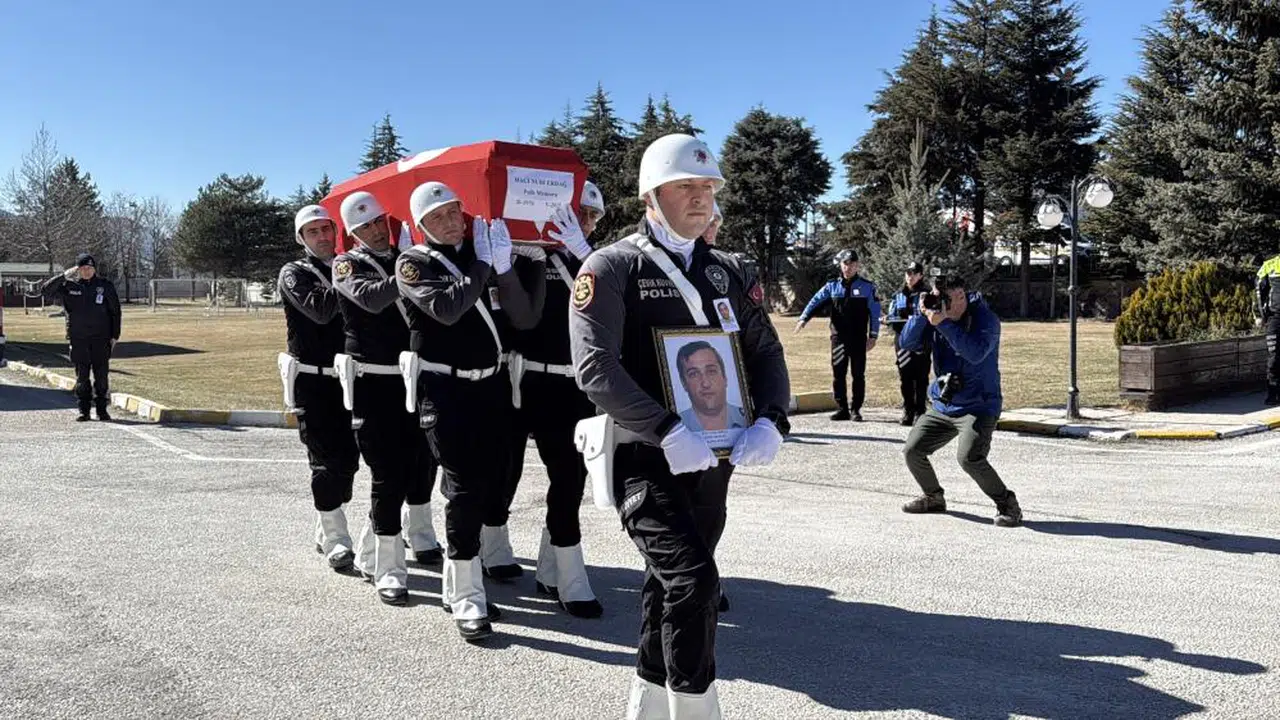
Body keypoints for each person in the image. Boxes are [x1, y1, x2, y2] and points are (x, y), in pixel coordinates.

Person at [570, 133, 790, 718]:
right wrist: (667, 429)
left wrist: (772, 420)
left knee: (667, 586)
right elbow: (596, 368)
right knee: (696, 582)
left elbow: (765, 351)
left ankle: (646, 701)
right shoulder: (611, 266)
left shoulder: (727, 270)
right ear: (651, 196)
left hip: (714, 463)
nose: (701, 198)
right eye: (685, 187)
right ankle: (697, 709)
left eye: (708, 187)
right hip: (644, 457)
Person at [395, 180, 545, 642]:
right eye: (438, 216)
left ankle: (464, 579)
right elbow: (449, 307)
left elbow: (523, 318)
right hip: (445, 390)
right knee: (464, 491)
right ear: (421, 226)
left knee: (495, 481)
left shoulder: (486, 254)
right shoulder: (413, 263)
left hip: (493, 387)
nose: (451, 220)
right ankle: (464, 597)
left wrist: (515, 267)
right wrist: (483, 263)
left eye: (455, 210)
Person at [499, 180, 608, 619]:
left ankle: (563, 573)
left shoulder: (600, 261)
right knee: (502, 470)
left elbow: (620, 299)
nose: (584, 221)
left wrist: (581, 251)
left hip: (575, 386)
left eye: (592, 216)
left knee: (569, 482)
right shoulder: (533, 254)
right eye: (579, 211)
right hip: (526, 379)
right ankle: (492, 545)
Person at [332, 191, 441, 607]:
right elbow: (372, 298)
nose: (377, 230)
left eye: (380, 221)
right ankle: (389, 568)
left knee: (418, 467)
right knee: (386, 473)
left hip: (413, 379)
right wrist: (414, 269)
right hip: (374, 381)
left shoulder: (403, 255)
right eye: (366, 226)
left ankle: (374, 548)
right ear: (353, 233)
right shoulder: (347, 264)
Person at [897, 274, 1022, 528]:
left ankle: (1008, 504)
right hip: (944, 404)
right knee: (913, 451)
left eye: (962, 296)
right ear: (939, 300)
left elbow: (975, 353)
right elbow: (907, 342)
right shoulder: (934, 316)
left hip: (979, 405)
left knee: (969, 458)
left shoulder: (985, 319)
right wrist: (923, 315)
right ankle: (933, 497)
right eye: (952, 299)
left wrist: (942, 323)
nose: (959, 303)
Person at [277, 205, 362, 572]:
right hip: (313, 379)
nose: (322, 237)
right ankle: (337, 539)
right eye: (312, 232)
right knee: (325, 462)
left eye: (326, 229)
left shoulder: (349, 265)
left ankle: (325, 521)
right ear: (301, 239)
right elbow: (321, 309)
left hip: (350, 378)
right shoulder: (295, 273)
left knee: (349, 464)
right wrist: (351, 276)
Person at [795, 249, 880, 422]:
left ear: (858, 266)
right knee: (838, 373)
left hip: (858, 339)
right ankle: (842, 408)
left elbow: (875, 312)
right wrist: (804, 318)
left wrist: (873, 336)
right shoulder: (832, 286)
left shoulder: (867, 287)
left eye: (852, 264)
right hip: (838, 338)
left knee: (858, 374)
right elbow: (815, 301)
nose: (849, 267)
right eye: (846, 264)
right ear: (841, 265)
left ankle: (856, 409)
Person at [41, 253, 121, 422]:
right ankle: (84, 410)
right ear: (77, 270)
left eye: (90, 268)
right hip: (79, 339)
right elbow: (45, 291)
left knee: (101, 377)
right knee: (82, 377)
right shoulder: (69, 286)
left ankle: (102, 410)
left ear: (94, 269)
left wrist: (115, 335)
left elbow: (115, 311)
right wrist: (63, 276)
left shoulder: (104, 286)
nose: (86, 271)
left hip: (101, 338)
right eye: (83, 268)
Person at [886, 262, 933, 425]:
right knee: (905, 376)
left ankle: (920, 411)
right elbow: (892, 315)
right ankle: (908, 410)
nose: (910, 276)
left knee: (921, 377)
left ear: (920, 275)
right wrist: (887, 318)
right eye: (908, 273)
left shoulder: (927, 294)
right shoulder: (899, 295)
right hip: (902, 341)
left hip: (921, 340)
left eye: (913, 273)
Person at [675, 341, 747, 433]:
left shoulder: (750, 417)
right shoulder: (675, 428)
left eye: (711, 371)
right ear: (683, 383)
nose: (705, 384)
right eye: (694, 374)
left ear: (724, 377)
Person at [1257, 252, 1280, 405]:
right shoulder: (1269, 265)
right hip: (1275, 318)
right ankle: (1272, 394)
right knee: (1274, 357)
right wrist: (1259, 316)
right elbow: (1259, 292)